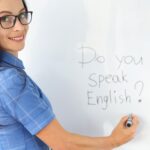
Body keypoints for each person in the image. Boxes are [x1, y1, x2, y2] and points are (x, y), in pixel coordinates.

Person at [0, 0, 139, 150]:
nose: (20, 26)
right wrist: (115, 140)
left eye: (22, 15)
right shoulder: (9, 81)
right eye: (5, 19)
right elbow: (63, 144)